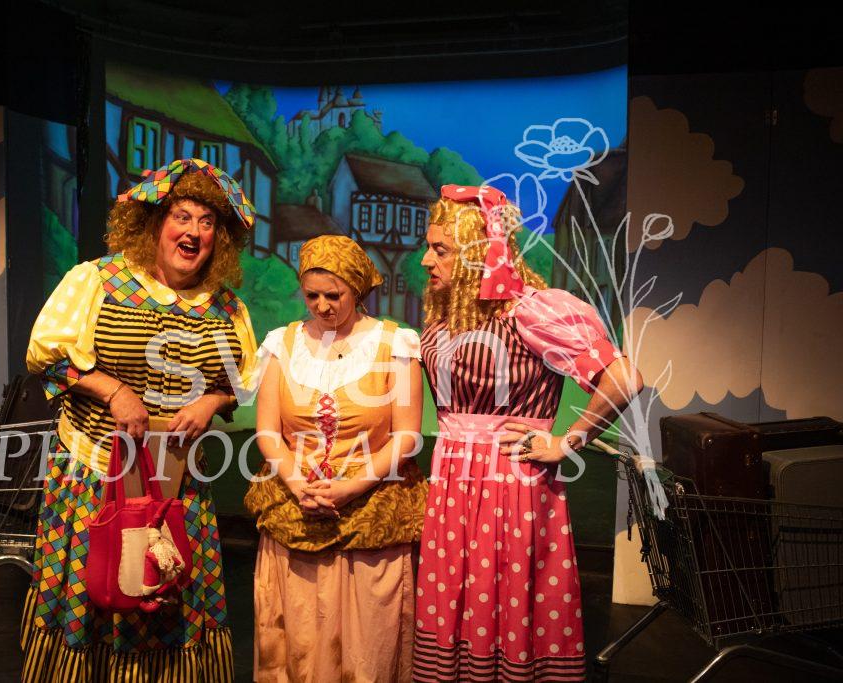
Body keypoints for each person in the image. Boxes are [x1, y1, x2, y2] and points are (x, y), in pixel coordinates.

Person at [22, 158, 258, 682]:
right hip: (95, 474)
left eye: (207, 222)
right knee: (97, 589)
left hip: (177, 482)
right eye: (182, 216)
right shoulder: (98, 281)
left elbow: (241, 382)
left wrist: (211, 402)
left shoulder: (226, 308)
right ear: (155, 222)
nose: (194, 232)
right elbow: (46, 356)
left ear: (219, 238)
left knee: (166, 595)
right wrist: (113, 391)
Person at [413, 184, 643, 681]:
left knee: (507, 593)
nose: (426, 260)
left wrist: (567, 441)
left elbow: (624, 378)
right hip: (453, 480)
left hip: (509, 483)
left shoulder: (531, 311)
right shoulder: (448, 315)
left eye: (440, 249)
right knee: (457, 595)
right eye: (428, 247)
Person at [244, 235, 428, 682]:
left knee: (367, 648)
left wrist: (351, 486)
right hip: (297, 507)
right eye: (312, 296)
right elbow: (268, 431)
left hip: (371, 511)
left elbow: (407, 436)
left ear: (357, 289)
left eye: (334, 295)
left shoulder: (395, 344)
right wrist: (296, 483)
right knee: (299, 640)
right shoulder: (282, 343)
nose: (322, 306)